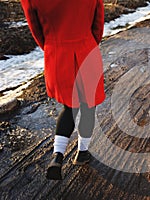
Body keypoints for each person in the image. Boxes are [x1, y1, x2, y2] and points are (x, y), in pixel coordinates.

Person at [20, 0, 105, 180]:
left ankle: (58, 155)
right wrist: (89, 43)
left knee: (69, 106)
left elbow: (36, 30)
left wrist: (53, 47)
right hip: (86, 48)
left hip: (57, 53)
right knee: (88, 105)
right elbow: (98, 24)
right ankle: (82, 153)